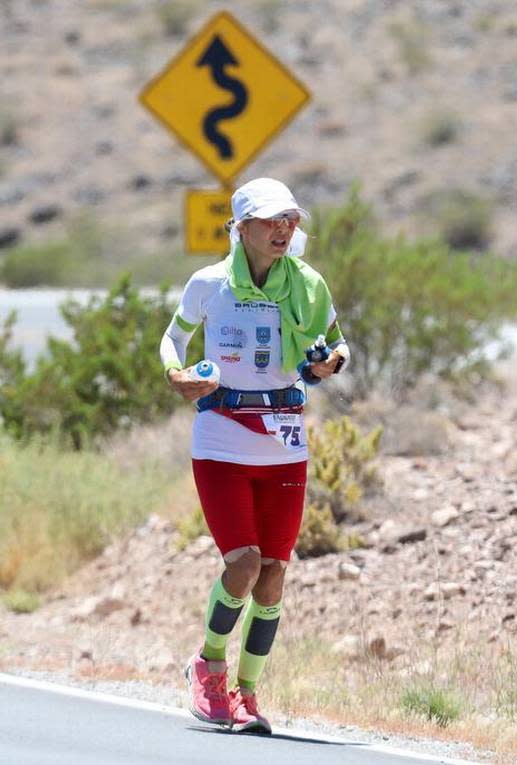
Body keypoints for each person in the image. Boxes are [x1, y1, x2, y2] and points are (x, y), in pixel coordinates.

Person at [159, 177, 350, 734]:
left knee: (272, 576)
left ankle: (247, 694)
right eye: (270, 221)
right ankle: (209, 665)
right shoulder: (210, 283)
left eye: (289, 219)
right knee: (242, 564)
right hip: (221, 436)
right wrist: (176, 373)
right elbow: (173, 337)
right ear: (239, 228)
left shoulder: (308, 285)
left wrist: (328, 363)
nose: (283, 229)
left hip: (285, 442)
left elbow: (338, 343)